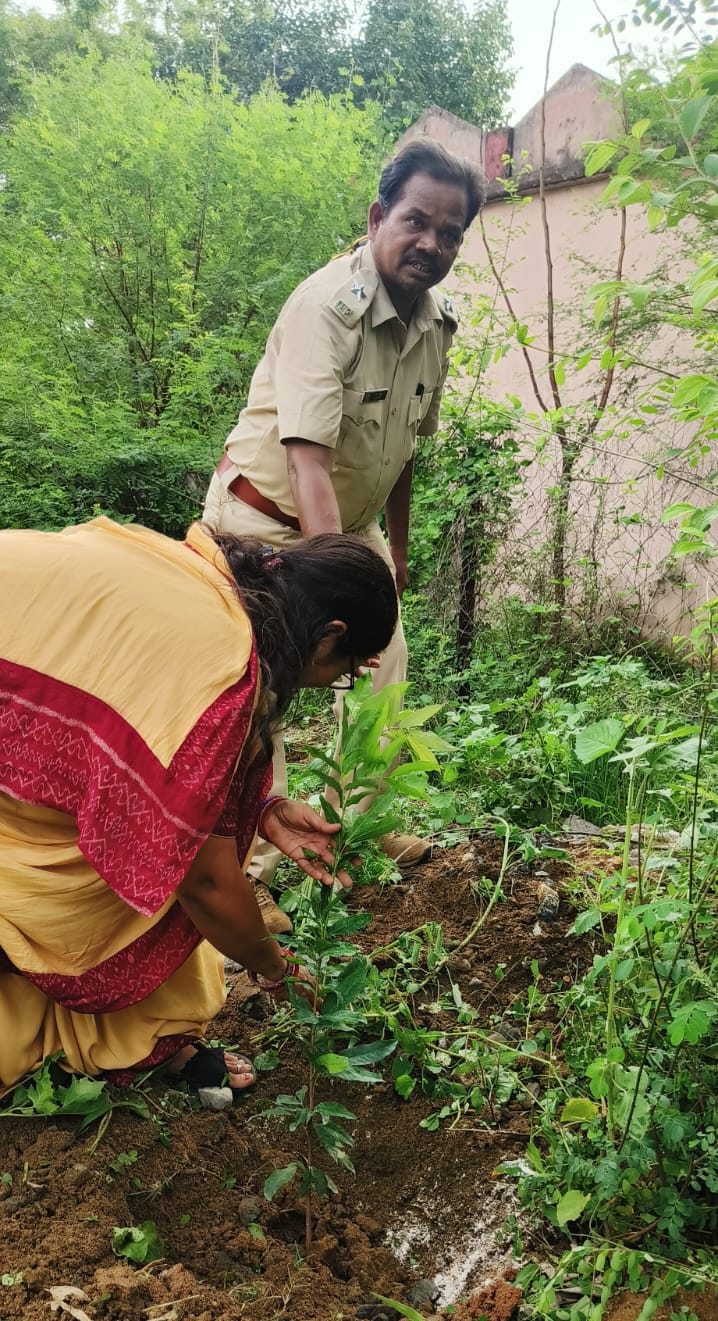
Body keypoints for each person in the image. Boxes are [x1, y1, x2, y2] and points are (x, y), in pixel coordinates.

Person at [0, 517, 397, 1097]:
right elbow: (204, 883)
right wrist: (275, 970)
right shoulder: (221, 667)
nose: (334, 681)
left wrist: (260, 812)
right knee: (146, 863)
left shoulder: (218, 584)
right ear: (329, 635)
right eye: (343, 669)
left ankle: (132, 1035)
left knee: (146, 844)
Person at [203, 138, 485, 925]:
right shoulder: (325, 308)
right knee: (264, 684)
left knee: (384, 658)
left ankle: (361, 822)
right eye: (416, 220)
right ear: (378, 216)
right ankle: (253, 866)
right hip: (261, 521)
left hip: (346, 524)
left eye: (451, 232)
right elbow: (308, 463)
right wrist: (342, 586)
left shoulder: (435, 324)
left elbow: (401, 453)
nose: (432, 243)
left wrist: (390, 556)